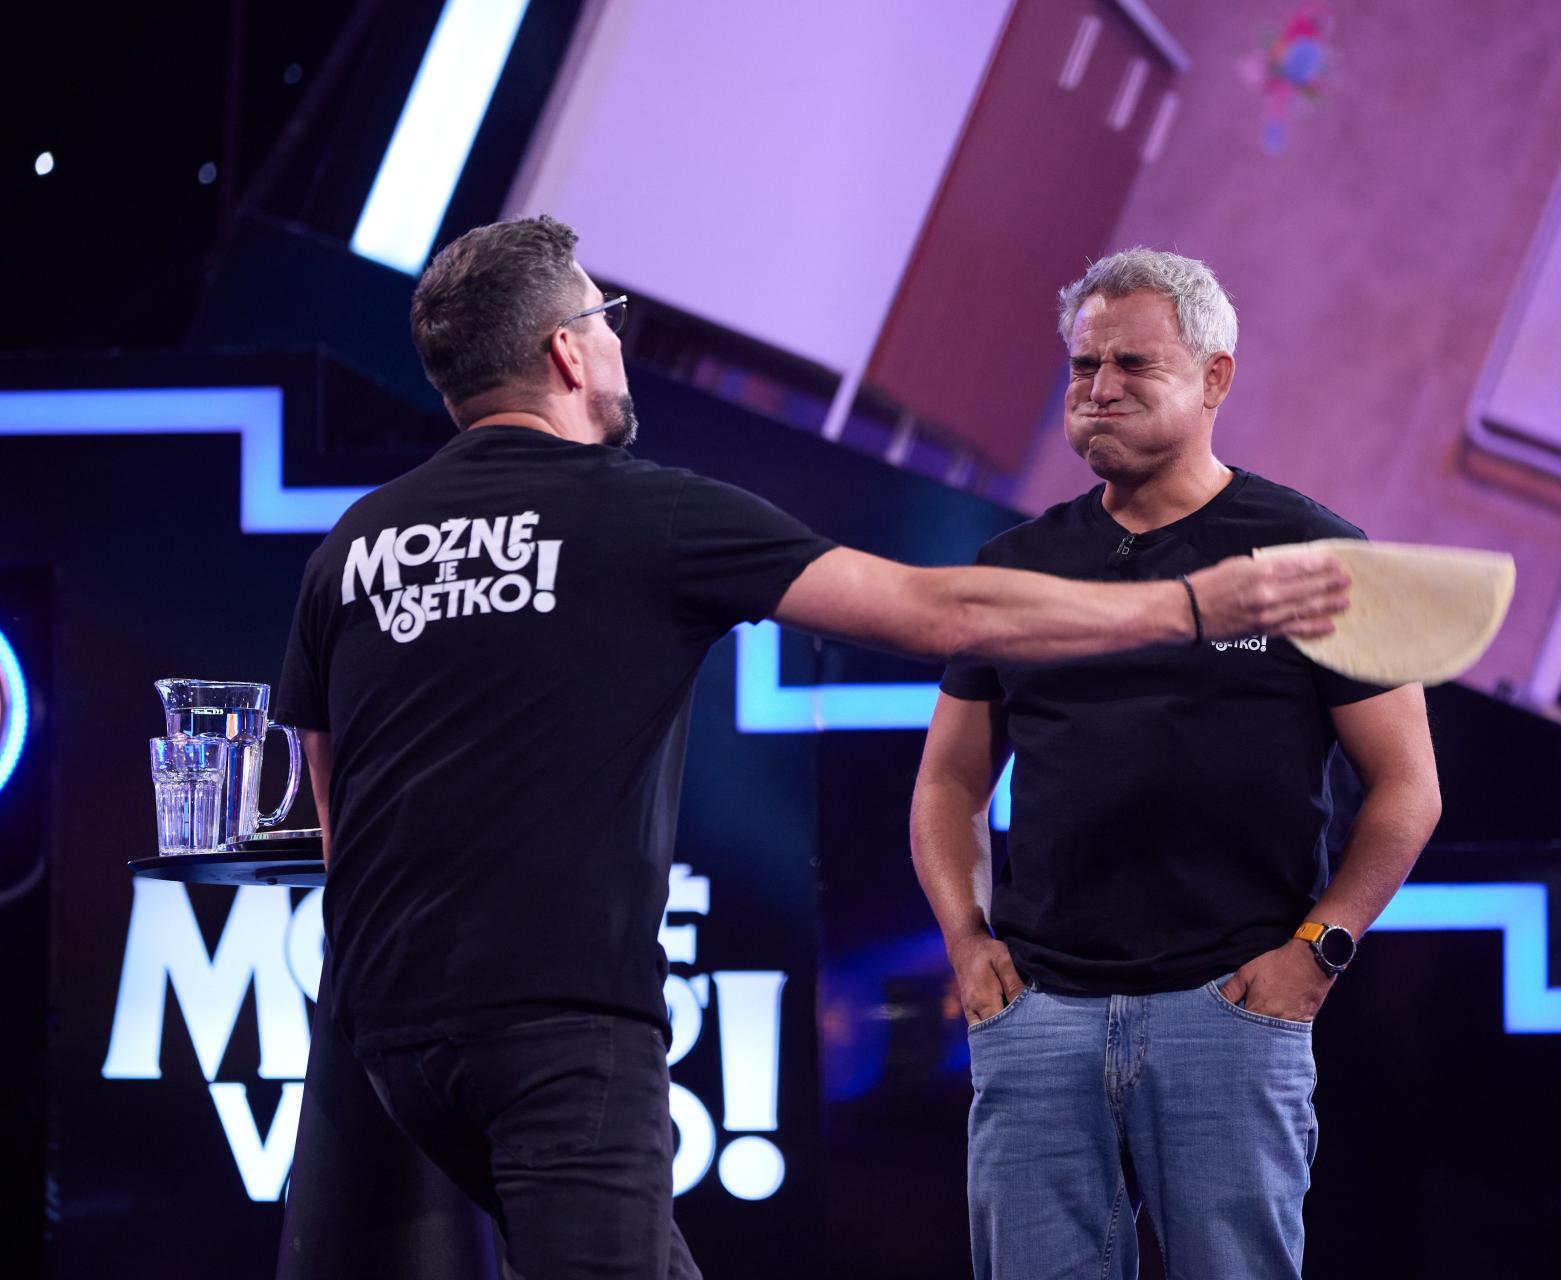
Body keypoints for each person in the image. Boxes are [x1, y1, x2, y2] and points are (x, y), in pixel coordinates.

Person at [274, 217, 1353, 1280]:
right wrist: (1187, 606)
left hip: (388, 1036)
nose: (615, 342)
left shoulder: (354, 544)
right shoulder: (644, 513)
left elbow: (338, 813)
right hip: (558, 1030)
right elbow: (933, 613)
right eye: (606, 320)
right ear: (565, 350)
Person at [911, 248, 1443, 1279]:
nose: (1099, 388)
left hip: (1230, 1009)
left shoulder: (1315, 554)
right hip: (1039, 1016)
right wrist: (968, 944)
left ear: (1214, 378)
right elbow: (948, 781)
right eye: (1084, 366)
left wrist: (1318, 951)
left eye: (1132, 364)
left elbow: (1408, 785)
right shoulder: (1016, 567)